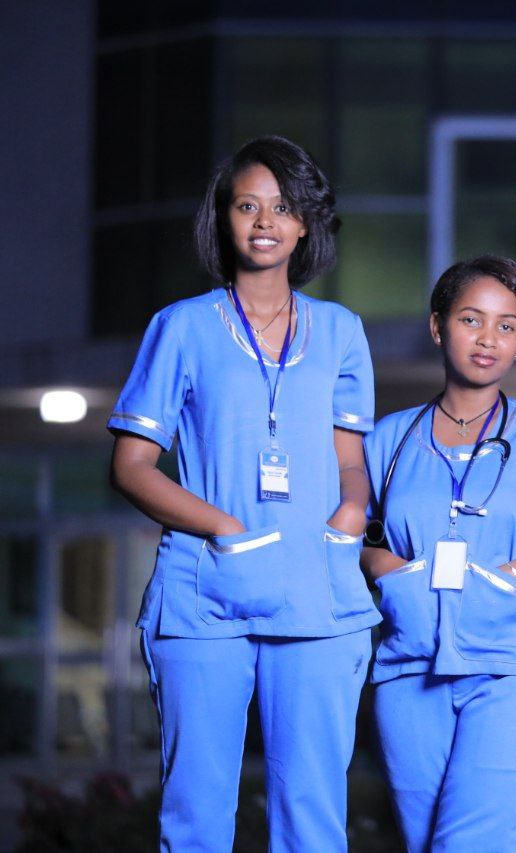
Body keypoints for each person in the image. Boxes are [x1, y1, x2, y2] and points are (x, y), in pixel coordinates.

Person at [108, 135, 377, 850]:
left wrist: (353, 507)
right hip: (204, 596)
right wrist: (225, 525)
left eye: (282, 207)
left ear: (305, 223)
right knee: (196, 816)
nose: (264, 221)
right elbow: (132, 466)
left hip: (317, 592)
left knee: (313, 815)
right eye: (247, 205)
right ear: (222, 218)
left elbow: (351, 460)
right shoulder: (181, 327)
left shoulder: (344, 333)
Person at [361, 256, 516, 851]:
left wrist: (511, 576)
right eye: (473, 320)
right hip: (409, 672)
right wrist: (393, 572)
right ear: (438, 326)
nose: (489, 339)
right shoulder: (387, 440)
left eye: (507, 325)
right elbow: (361, 539)